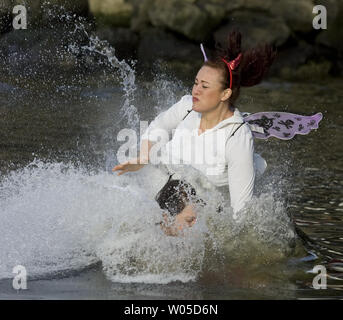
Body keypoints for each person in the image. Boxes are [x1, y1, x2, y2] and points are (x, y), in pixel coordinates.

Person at [112, 31, 276, 235]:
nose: (195, 91)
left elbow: (241, 213)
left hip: (206, 204)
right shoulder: (187, 106)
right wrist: (143, 157)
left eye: (204, 86)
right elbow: (159, 126)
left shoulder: (237, 139)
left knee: (183, 226)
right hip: (169, 184)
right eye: (196, 83)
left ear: (225, 94)